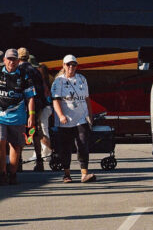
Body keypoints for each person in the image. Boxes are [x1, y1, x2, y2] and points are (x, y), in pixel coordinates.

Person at [51, 55, 96, 183]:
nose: (71, 67)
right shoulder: (58, 81)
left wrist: (90, 116)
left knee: (82, 144)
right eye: (68, 64)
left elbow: (87, 99)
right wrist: (60, 115)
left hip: (81, 118)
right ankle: (67, 174)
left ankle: (84, 173)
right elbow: (56, 100)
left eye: (74, 65)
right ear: (64, 66)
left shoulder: (82, 79)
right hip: (65, 120)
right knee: (65, 147)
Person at [0, 48, 37, 185]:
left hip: (18, 117)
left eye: (14, 59)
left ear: (18, 60)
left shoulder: (24, 75)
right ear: (4, 60)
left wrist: (31, 115)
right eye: (9, 59)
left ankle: (13, 174)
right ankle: (2, 173)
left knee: (15, 146)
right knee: (0, 142)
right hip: (1, 117)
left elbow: (31, 97)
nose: (11, 62)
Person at [18, 48, 52, 171]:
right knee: (35, 132)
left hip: (23, 106)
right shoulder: (36, 70)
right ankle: (39, 161)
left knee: (21, 132)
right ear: (27, 57)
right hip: (37, 106)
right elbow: (42, 89)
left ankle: (19, 163)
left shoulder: (18, 70)